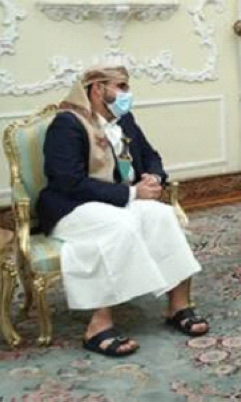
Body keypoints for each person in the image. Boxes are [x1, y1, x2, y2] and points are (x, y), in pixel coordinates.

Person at [38, 65, 209, 357]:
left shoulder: (124, 120)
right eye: (121, 86)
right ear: (97, 89)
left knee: (162, 216)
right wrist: (131, 193)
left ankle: (178, 305)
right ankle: (98, 325)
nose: (127, 94)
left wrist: (153, 177)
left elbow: (150, 155)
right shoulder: (67, 124)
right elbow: (68, 181)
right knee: (118, 226)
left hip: (120, 200)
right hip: (72, 206)